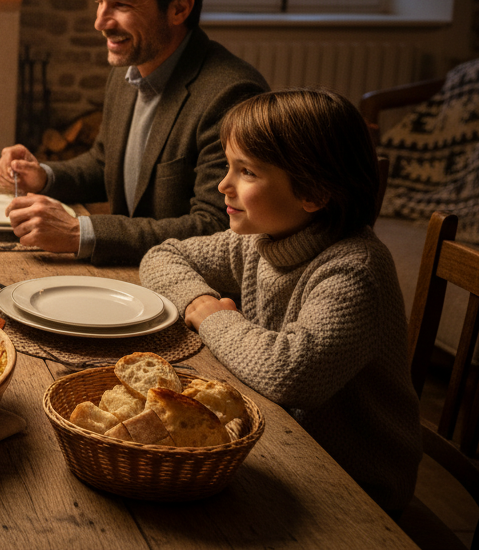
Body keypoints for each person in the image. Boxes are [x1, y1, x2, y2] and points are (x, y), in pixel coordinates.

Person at [139, 88, 421, 512]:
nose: (223, 185)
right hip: (285, 440)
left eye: (246, 172)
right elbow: (162, 256)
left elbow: (291, 374)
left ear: (314, 193)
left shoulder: (355, 271)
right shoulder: (261, 239)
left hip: (353, 484)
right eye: (229, 167)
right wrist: (199, 298)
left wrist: (213, 319)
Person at [0, 0, 268, 265]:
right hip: (129, 273)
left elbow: (216, 228)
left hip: (187, 286)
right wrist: (43, 176)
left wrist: (80, 233)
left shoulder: (231, 95)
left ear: (180, 8)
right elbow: (104, 162)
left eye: (121, 4)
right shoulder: (128, 70)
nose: (100, 22)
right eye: (99, 2)